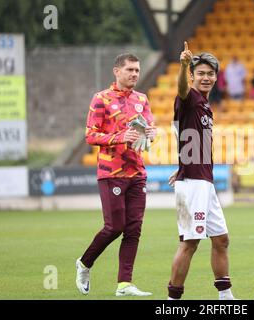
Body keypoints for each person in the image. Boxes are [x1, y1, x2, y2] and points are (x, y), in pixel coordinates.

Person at [75, 53, 157, 297]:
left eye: (137, 70)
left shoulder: (142, 99)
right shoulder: (101, 99)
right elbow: (90, 135)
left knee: (134, 228)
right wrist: (120, 137)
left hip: (137, 172)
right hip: (111, 172)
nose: (134, 74)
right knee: (114, 227)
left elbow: (148, 126)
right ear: (116, 71)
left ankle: (124, 284)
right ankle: (84, 263)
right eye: (130, 69)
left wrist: (151, 132)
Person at [167, 42, 236, 300]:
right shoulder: (189, 98)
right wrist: (183, 64)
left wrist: (182, 164)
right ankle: (172, 300)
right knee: (190, 242)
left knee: (221, 239)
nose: (206, 78)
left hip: (204, 182)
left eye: (210, 74)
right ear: (193, 76)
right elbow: (181, 89)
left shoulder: (205, 106)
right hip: (194, 185)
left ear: (216, 78)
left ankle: (225, 296)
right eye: (201, 73)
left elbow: (184, 137)